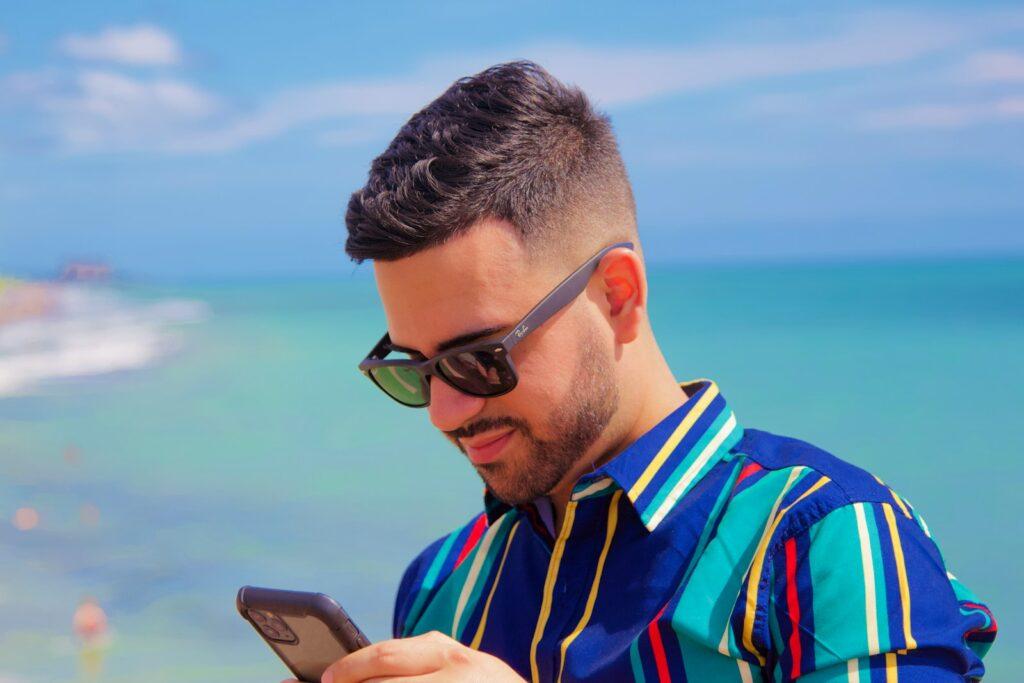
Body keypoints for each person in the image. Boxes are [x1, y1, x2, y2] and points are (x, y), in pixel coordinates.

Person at [293, 61, 997, 683]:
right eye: (413, 370)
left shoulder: (825, 539)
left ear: (618, 294)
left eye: (479, 360)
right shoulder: (442, 585)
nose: (444, 412)